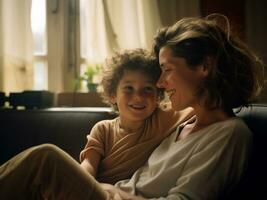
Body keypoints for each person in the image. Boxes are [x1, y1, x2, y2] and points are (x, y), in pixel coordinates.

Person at [0, 14, 264, 200]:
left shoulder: (230, 134)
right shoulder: (180, 122)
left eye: (167, 70)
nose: (161, 82)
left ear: (205, 67)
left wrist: (118, 195)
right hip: (109, 191)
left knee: (45, 159)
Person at [79, 48, 193, 184]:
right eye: (129, 88)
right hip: (94, 189)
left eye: (148, 89)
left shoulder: (161, 119)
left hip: (125, 193)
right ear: (113, 95)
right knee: (49, 155)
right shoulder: (103, 129)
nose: (139, 97)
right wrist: (83, 187)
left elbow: (197, 104)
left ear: (158, 95)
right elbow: (88, 165)